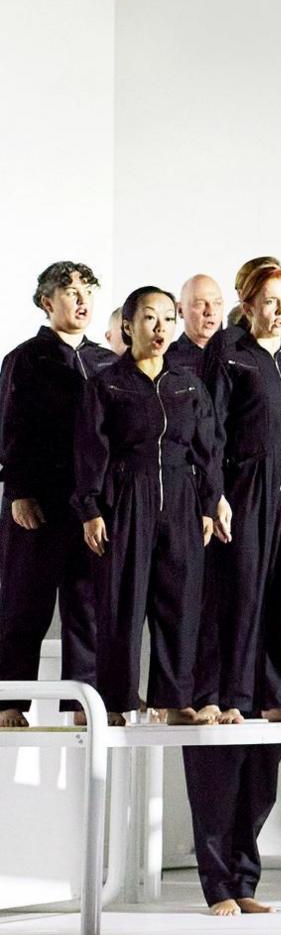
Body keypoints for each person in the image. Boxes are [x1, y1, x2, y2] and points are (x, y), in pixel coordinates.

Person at [71, 287, 220, 725]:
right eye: (150, 319)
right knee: (121, 602)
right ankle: (117, 701)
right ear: (128, 326)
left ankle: (174, 700)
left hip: (180, 496)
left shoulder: (188, 384)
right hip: (124, 495)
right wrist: (91, 510)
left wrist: (208, 505)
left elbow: (208, 449)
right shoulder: (106, 384)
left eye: (169, 320)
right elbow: (89, 450)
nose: (161, 329)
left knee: (180, 601)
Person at [199, 263, 281, 724]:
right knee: (242, 590)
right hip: (245, 484)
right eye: (272, 301)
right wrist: (215, 493)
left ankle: (279, 696)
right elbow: (212, 428)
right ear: (249, 305)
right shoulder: (229, 351)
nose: (280, 311)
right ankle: (233, 696)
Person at [0, 262, 115, 724]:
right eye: (70, 292)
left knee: (86, 604)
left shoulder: (105, 361)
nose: (82, 300)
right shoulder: (25, 359)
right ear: (48, 302)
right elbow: (11, 429)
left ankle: (81, 701)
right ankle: (8, 700)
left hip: (88, 505)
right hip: (38, 503)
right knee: (24, 602)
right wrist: (18, 492)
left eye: (88, 290)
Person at [168, 275, 225, 378]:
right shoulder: (165, 361)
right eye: (200, 304)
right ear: (180, 310)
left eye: (217, 303)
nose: (211, 312)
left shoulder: (239, 356)